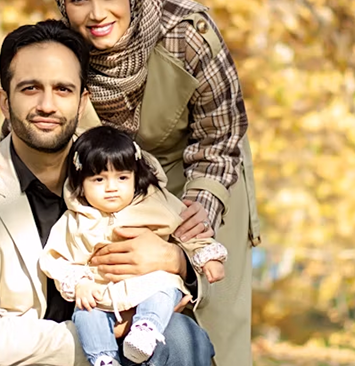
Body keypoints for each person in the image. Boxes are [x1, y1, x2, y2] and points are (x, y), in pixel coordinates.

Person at [0, 0, 261, 366]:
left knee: (205, 316)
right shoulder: (68, 47)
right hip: (114, 171)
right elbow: (35, 120)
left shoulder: (188, 32)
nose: (97, 13)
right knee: (113, 288)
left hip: (206, 167)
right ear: (64, 4)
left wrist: (186, 236)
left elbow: (221, 135)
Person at [0, 19, 215, 366]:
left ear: (83, 102)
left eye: (63, 89)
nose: (48, 105)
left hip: (130, 346)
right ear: (5, 103)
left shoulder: (130, 170)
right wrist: (104, 328)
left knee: (183, 338)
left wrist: (179, 262)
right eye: (30, 89)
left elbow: (190, 263)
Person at [39, 126, 228, 366]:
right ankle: (104, 358)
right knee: (86, 314)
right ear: (80, 182)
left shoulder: (156, 203)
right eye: (99, 179)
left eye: (122, 177)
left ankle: (146, 328)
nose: (111, 187)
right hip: (102, 294)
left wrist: (207, 256)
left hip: (151, 284)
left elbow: (187, 231)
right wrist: (80, 283)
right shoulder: (75, 220)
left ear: (134, 176)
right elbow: (56, 257)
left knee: (165, 288)